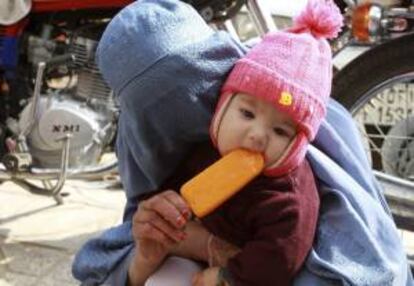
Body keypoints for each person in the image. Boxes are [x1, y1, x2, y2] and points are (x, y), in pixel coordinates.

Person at [73, 0, 414, 285]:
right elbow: (117, 263)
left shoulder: (296, 137)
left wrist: (226, 268)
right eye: (246, 114)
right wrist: (147, 255)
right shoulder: (155, 148)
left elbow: (349, 265)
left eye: (199, 92)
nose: (257, 135)